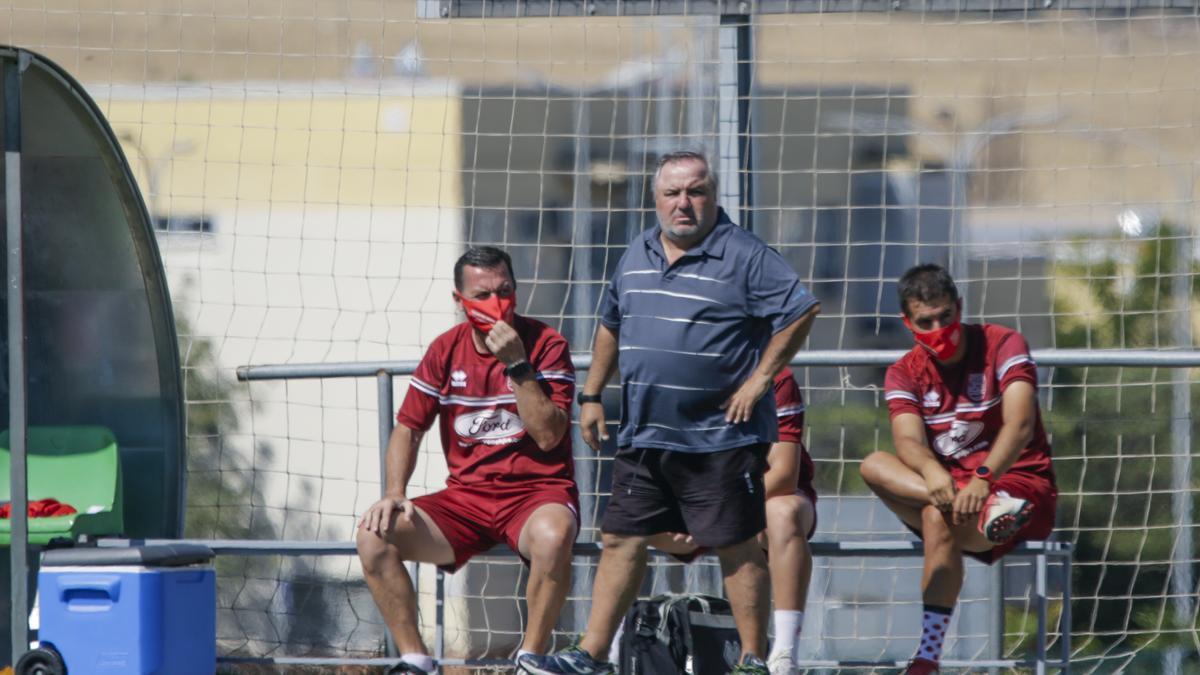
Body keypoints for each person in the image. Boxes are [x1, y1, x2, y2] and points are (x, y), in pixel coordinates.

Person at [518, 150, 821, 675]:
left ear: (713, 195)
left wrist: (760, 379)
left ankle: (752, 660)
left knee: (736, 544)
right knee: (619, 537)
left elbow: (800, 309)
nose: (684, 203)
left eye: (696, 191)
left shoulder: (744, 253)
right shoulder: (636, 251)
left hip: (718, 435)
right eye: (673, 193)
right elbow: (611, 321)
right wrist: (592, 395)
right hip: (645, 433)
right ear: (656, 198)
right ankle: (591, 655)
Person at [357, 246, 580, 675]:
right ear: (458, 301)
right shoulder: (445, 349)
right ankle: (417, 660)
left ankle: (530, 659)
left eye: (506, 290)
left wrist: (517, 365)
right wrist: (394, 493)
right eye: (481, 295)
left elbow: (550, 436)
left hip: (536, 495)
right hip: (466, 500)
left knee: (555, 536)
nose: (496, 304)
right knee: (374, 535)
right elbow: (408, 427)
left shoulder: (547, 344)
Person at [859, 264, 1058, 675]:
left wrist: (984, 481)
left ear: (959, 308)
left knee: (936, 518)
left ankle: (927, 658)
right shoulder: (904, 371)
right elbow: (908, 441)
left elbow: (1020, 424)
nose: (939, 329)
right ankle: (978, 513)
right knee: (874, 465)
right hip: (954, 493)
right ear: (908, 323)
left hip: (1015, 484)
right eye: (926, 322)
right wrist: (934, 475)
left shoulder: (1003, 342)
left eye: (946, 317)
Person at [649, 368, 817, 675]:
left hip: (763, 496)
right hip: (703, 498)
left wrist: (716, 513)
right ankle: (607, 649)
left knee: (783, 514)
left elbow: (782, 476)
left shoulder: (776, 376)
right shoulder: (674, 368)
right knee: (629, 526)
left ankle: (783, 655)